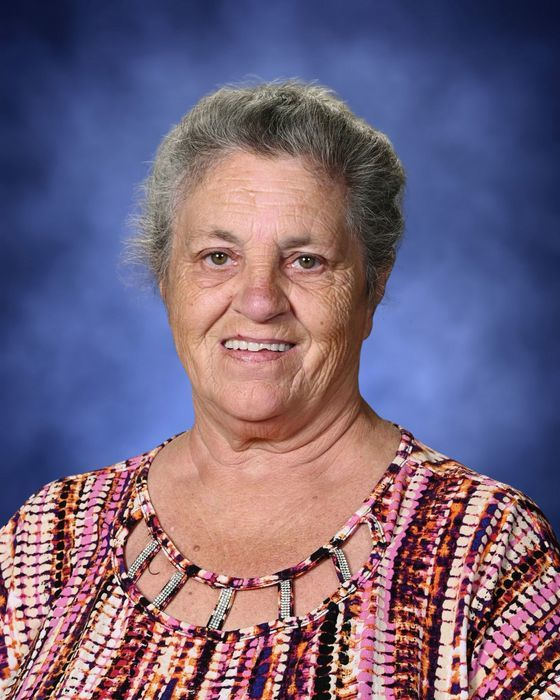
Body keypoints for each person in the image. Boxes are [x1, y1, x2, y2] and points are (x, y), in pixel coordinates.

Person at [0, 80, 558, 699]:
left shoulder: (484, 546)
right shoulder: (51, 535)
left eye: (306, 261)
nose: (260, 300)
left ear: (372, 287)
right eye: (218, 257)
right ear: (166, 280)